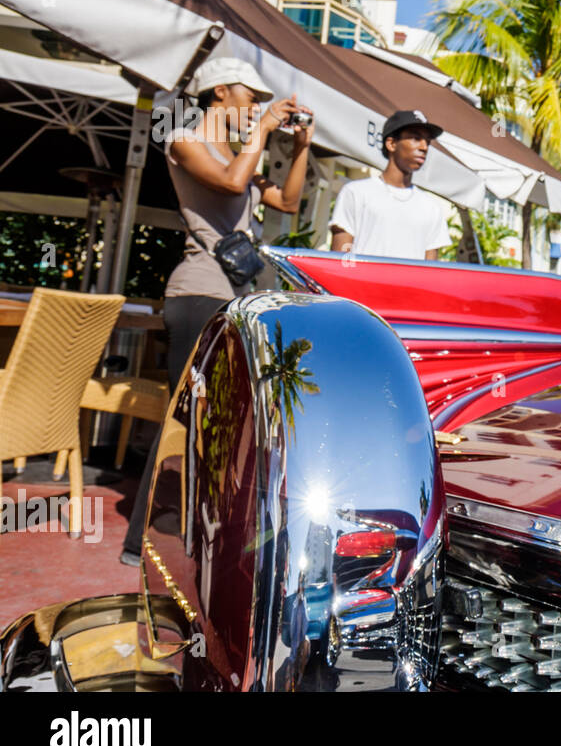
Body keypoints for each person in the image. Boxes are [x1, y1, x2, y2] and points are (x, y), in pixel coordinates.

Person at [121, 57, 313, 564]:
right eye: (252, 98)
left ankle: (195, 534)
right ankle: (137, 540)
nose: (256, 108)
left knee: (218, 423)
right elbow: (231, 184)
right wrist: (265, 131)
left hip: (232, 301)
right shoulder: (184, 140)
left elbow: (288, 203)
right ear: (222, 93)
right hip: (197, 295)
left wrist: (300, 149)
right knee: (181, 418)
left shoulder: (237, 153)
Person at [329, 110, 453, 260]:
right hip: (363, 283)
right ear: (391, 143)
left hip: (409, 284)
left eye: (427, 141)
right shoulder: (356, 192)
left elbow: (430, 271)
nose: (424, 147)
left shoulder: (431, 207)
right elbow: (339, 259)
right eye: (416, 138)